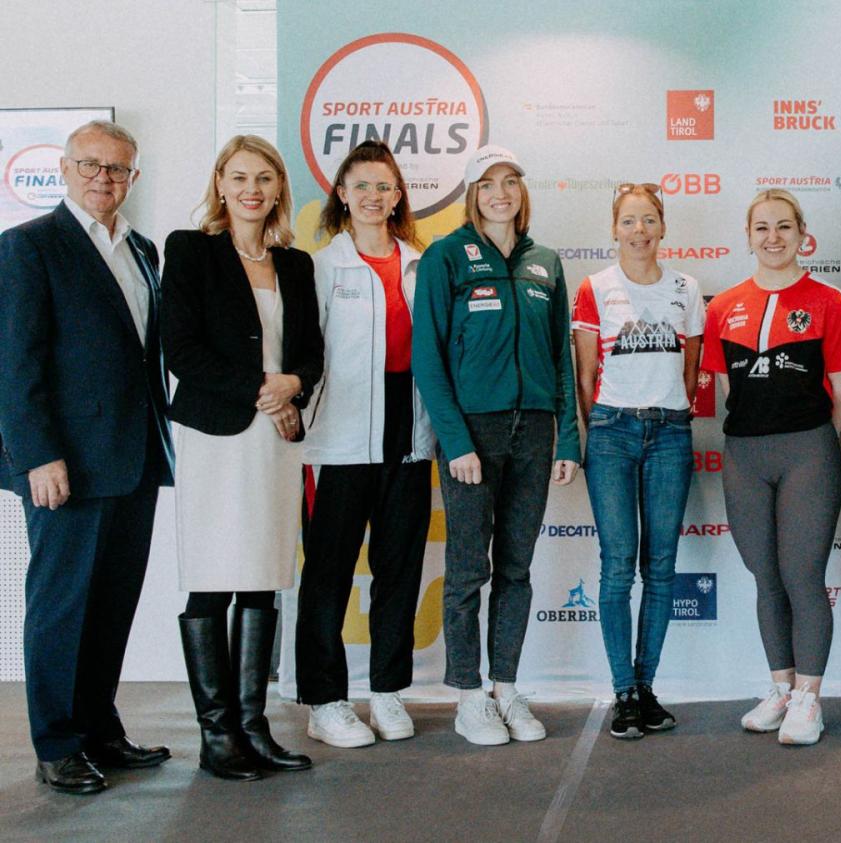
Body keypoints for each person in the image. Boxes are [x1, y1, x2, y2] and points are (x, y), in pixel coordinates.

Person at [0, 120, 174, 794]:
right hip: (65, 464)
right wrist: (37, 455)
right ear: (65, 170)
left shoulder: (142, 248)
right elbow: (15, 363)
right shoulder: (28, 246)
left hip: (134, 455)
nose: (104, 177)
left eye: (118, 168)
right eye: (91, 165)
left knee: (111, 603)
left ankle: (100, 728)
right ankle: (57, 743)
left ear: (134, 177)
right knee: (61, 604)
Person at [162, 134, 323, 781]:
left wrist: (293, 386)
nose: (252, 189)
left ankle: (253, 728)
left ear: (279, 186)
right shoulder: (191, 250)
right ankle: (216, 735)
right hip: (217, 436)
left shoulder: (296, 264)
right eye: (239, 177)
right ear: (220, 184)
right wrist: (267, 391)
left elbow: (310, 354)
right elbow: (181, 350)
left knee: (262, 574)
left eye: (264, 178)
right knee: (213, 576)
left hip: (277, 440)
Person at [411, 145, 579, 746]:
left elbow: (560, 359)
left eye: (510, 181)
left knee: (516, 567)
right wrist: (455, 440)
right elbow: (428, 359)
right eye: (487, 184)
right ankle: (468, 695)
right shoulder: (445, 256)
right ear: (471, 194)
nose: (500, 193)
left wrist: (568, 439)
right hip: (472, 435)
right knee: (466, 569)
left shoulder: (545, 263)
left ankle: (506, 688)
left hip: (533, 431)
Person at [704, 189, 841, 746]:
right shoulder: (723, 307)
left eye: (784, 227)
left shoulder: (829, 301)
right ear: (748, 237)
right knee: (765, 575)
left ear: (802, 235)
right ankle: (781, 688)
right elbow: (728, 389)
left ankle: (809, 699)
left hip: (807, 452)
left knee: (801, 576)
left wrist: (818, 442)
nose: (773, 238)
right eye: (762, 228)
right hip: (745, 455)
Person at [297, 139, 434, 748]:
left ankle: (387, 691)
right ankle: (324, 700)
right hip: (341, 438)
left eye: (384, 186)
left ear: (398, 195)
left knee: (398, 569)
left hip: (409, 431)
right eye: (362, 186)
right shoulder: (322, 267)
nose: (373, 196)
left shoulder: (422, 265)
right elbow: (305, 355)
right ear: (342, 195)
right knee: (327, 573)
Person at [572, 183, 703, 740]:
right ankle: (623, 689)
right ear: (614, 229)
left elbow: (691, 370)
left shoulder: (686, 288)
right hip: (612, 433)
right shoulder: (594, 287)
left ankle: (646, 688)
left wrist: (670, 409)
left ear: (663, 227)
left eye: (649, 219)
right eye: (629, 221)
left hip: (670, 433)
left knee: (662, 567)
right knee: (618, 565)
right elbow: (583, 377)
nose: (639, 230)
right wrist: (601, 427)